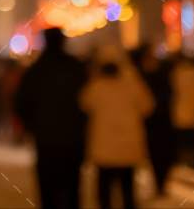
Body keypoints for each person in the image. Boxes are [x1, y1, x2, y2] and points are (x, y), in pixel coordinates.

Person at [16, 28, 88, 209]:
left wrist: (31, 126)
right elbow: (89, 102)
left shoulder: (35, 70)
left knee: (47, 187)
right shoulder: (76, 68)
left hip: (45, 137)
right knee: (72, 186)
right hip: (73, 138)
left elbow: (21, 102)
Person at [80, 50, 152, 209]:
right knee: (127, 189)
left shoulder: (96, 87)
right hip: (128, 147)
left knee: (104, 191)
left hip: (103, 148)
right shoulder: (133, 85)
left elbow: (84, 104)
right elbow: (148, 107)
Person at [131, 44, 175, 197]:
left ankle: (161, 182)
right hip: (151, 122)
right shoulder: (140, 76)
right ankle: (159, 182)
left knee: (162, 154)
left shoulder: (156, 75)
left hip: (161, 121)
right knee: (156, 154)